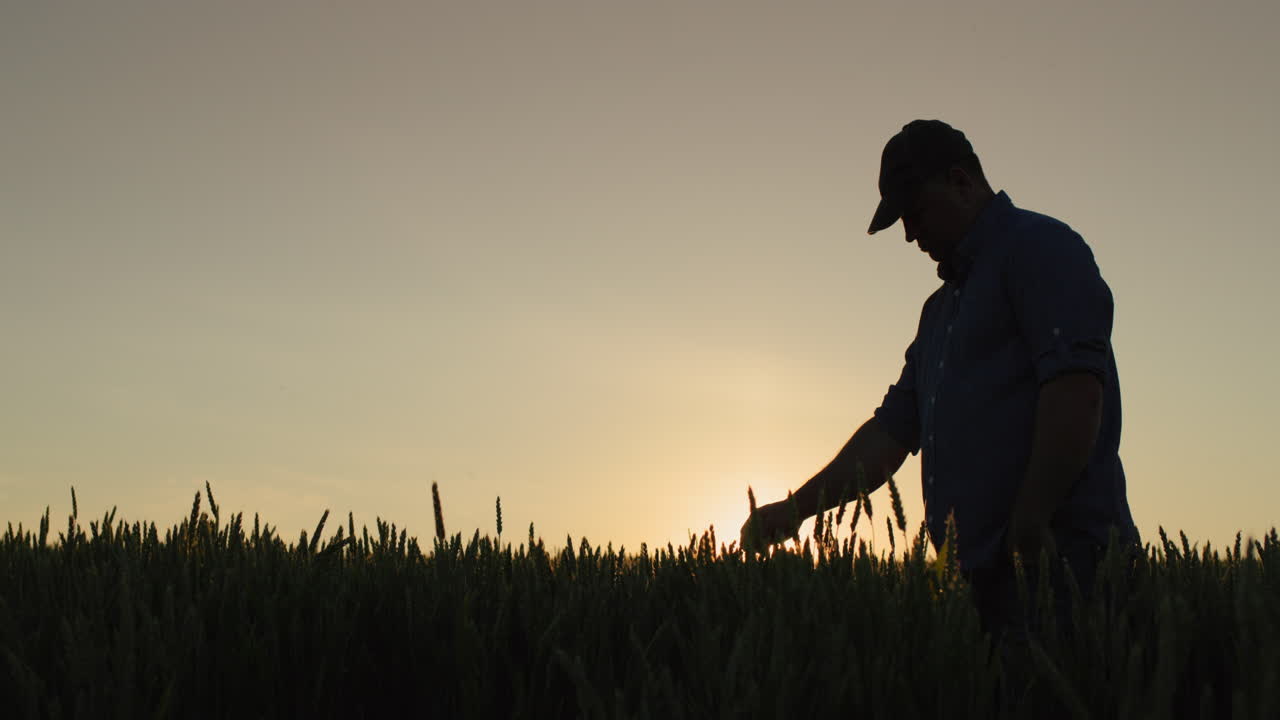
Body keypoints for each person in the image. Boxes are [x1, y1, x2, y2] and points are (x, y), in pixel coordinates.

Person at [738, 119, 1141, 648]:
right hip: (975, 584)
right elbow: (890, 435)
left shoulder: (1041, 249)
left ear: (961, 182)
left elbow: (1076, 391)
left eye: (915, 211)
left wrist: (1031, 519)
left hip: (1062, 567)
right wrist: (795, 509)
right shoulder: (939, 314)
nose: (909, 233)